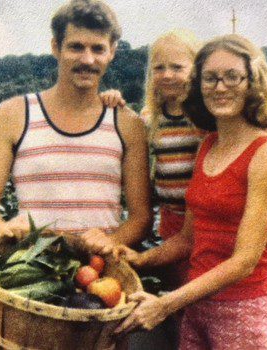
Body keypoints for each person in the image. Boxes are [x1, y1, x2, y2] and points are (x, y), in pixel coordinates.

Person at [113, 34, 267, 350]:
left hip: (245, 310)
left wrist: (165, 304)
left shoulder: (266, 154)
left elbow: (244, 262)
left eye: (232, 77)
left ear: (254, 82)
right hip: (198, 305)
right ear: (198, 86)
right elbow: (186, 238)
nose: (220, 87)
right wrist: (139, 260)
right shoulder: (208, 145)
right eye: (210, 78)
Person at [0, 0, 151, 256]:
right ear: (56, 47)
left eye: (98, 49)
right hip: (30, 265)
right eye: (76, 47)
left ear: (112, 51)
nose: (88, 59)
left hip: (100, 273)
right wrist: (0, 229)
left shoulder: (127, 124)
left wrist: (112, 240)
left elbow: (141, 218)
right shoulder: (13, 115)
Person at [101, 29, 203, 289]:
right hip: (170, 216)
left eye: (177, 67)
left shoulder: (201, 116)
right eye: (159, 68)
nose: (167, 74)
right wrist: (115, 104)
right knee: (175, 279)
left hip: (201, 218)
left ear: (196, 69)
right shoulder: (152, 116)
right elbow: (132, 129)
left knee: (197, 279)